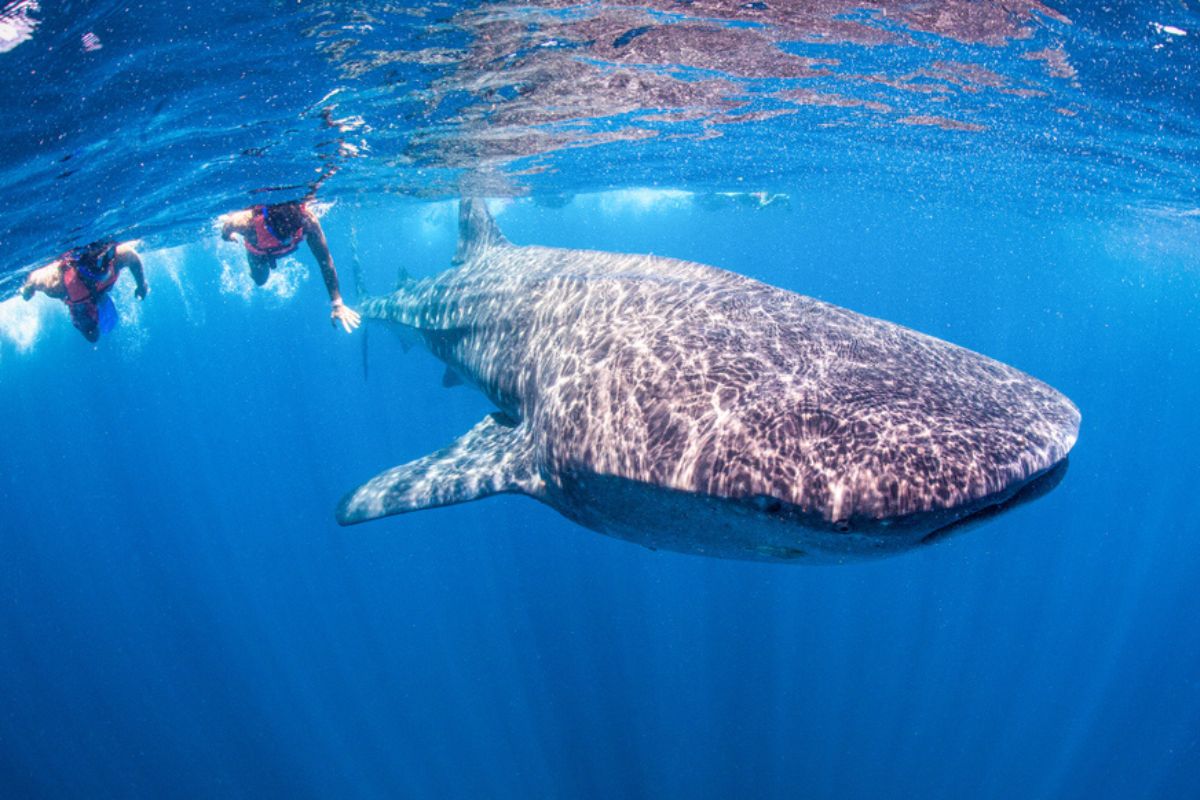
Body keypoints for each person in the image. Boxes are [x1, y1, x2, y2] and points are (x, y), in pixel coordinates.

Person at [220, 200, 361, 333]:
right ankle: (250, 269)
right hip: (259, 254)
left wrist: (337, 303)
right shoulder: (245, 222)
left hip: (275, 248)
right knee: (260, 281)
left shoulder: (308, 223)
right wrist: (229, 238)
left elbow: (325, 261)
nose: (286, 239)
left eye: (290, 234)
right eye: (281, 235)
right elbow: (226, 230)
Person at [18, 239, 147, 343]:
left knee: (91, 333)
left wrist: (141, 284)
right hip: (80, 282)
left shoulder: (60, 288)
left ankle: (89, 325)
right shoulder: (59, 285)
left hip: (83, 289)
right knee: (90, 331)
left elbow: (130, 255)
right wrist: (27, 289)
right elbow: (35, 279)